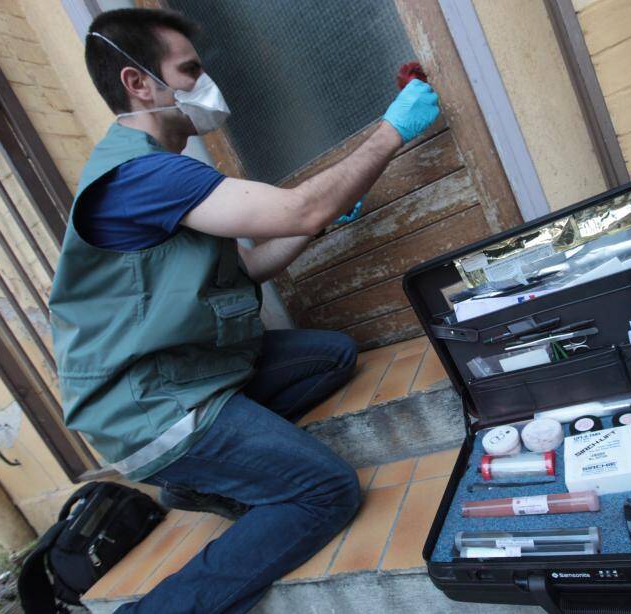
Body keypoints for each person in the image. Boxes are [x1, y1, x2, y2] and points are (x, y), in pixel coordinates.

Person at [47, 8, 440, 613]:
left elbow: (251, 267)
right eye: (190, 69)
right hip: (151, 408)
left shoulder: (166, 176)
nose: (206, 83)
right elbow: (299, 209)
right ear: (138, 83)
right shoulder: (141, 178)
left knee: (330, 355)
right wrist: (391, 131)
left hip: (187, 373)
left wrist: (323, 218)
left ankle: (194, 477)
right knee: (324, 492)